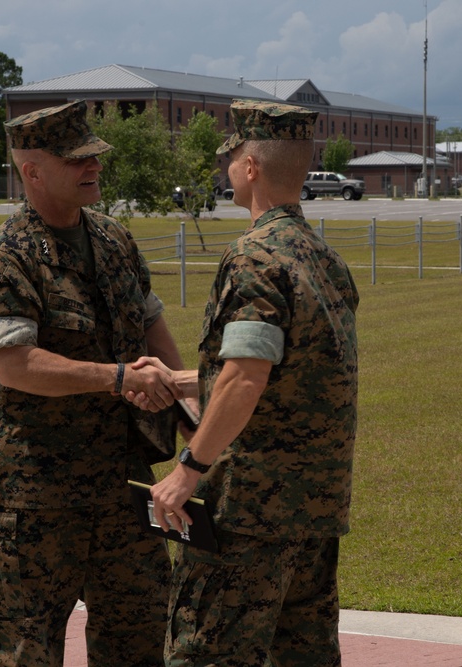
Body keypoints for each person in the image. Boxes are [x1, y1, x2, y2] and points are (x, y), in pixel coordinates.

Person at [0, 99, 187, 667]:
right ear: (31, 170)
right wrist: (117, 378)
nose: (92, 167)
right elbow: (14, 365)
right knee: (23, 654)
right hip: (33, 501)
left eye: (93, 156)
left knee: (138, 647)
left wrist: (196, 421)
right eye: (75, 159)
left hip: (123, 492)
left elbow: (155, 334)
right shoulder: (4, 259)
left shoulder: (115, 242)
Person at [148, 100, 359, 667]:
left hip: (249, 513)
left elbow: (246, 377)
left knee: (206, 655)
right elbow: (293, 367)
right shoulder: (323, 259)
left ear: (250, 167)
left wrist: (187, 471)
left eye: (230, 159)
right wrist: (187, 380)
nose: (225, 172)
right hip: (313, 511)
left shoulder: (255, 259)